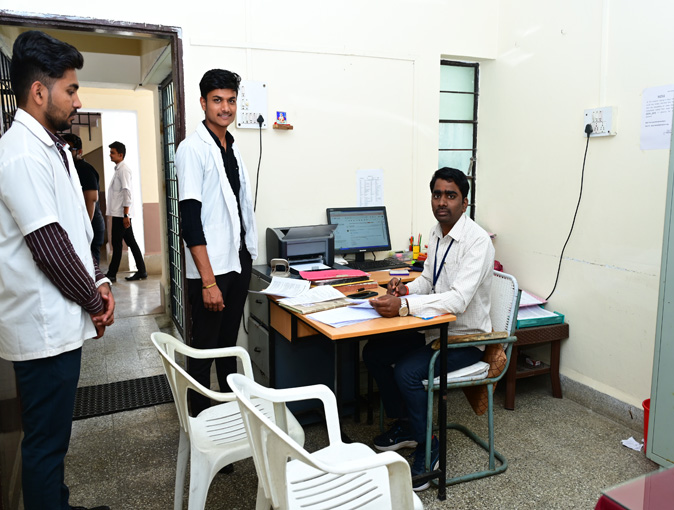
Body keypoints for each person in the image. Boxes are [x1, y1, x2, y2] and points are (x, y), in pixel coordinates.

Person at [0, 30, 114, 510]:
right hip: (42, 329)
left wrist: (102, 281)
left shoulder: (52, 148)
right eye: (70, 89)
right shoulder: (21, 152)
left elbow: (73, 231)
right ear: (39, 91)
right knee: (45, 446)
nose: (77, 98)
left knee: (54, 440)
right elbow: (48, 247)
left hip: (61, 323)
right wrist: (93, 301)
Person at [364, 167, 494, 491]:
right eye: (437, 194)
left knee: (407, 372)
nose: (442, 202)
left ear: (465, 202)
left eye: (451, 195)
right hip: (434, 331)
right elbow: (429, 281)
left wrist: (405, 307)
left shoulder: (477, 242)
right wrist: (406, 290)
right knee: (375, 354)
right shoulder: (437, 233)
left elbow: (459, 300)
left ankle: (430, 447)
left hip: (465, 339)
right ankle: (408, 425)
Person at [175, 69, 258, 417]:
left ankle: (230, 418)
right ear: (203, 103)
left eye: (231, 100)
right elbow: (190, 222)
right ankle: (200, 423)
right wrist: (208, 282)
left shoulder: (232, 147)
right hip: (212, 271)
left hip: (237, 262)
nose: (225, 107)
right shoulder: (192, 149)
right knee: (204, 352)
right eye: (217, 100)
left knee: (228, 347)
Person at [105, 140, 147, 282]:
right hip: (120, 214)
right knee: (131, 242)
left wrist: (126, 215)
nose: (110, 155)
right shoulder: (119, 169)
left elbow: (126, 192)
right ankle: (142, 271)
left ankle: (111, 274)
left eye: (112, 152)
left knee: (117, 245)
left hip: (121, 215)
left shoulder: (123, 170)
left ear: (120, 155)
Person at [61, 133, 106, 264]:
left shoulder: (85, 169)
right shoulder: (69, 168)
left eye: (70, 149)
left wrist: (85, 227)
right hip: (77, 225)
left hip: (90, 225)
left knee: (91, 266)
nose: (65, 153)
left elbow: (91, 199)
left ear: (79, 151)